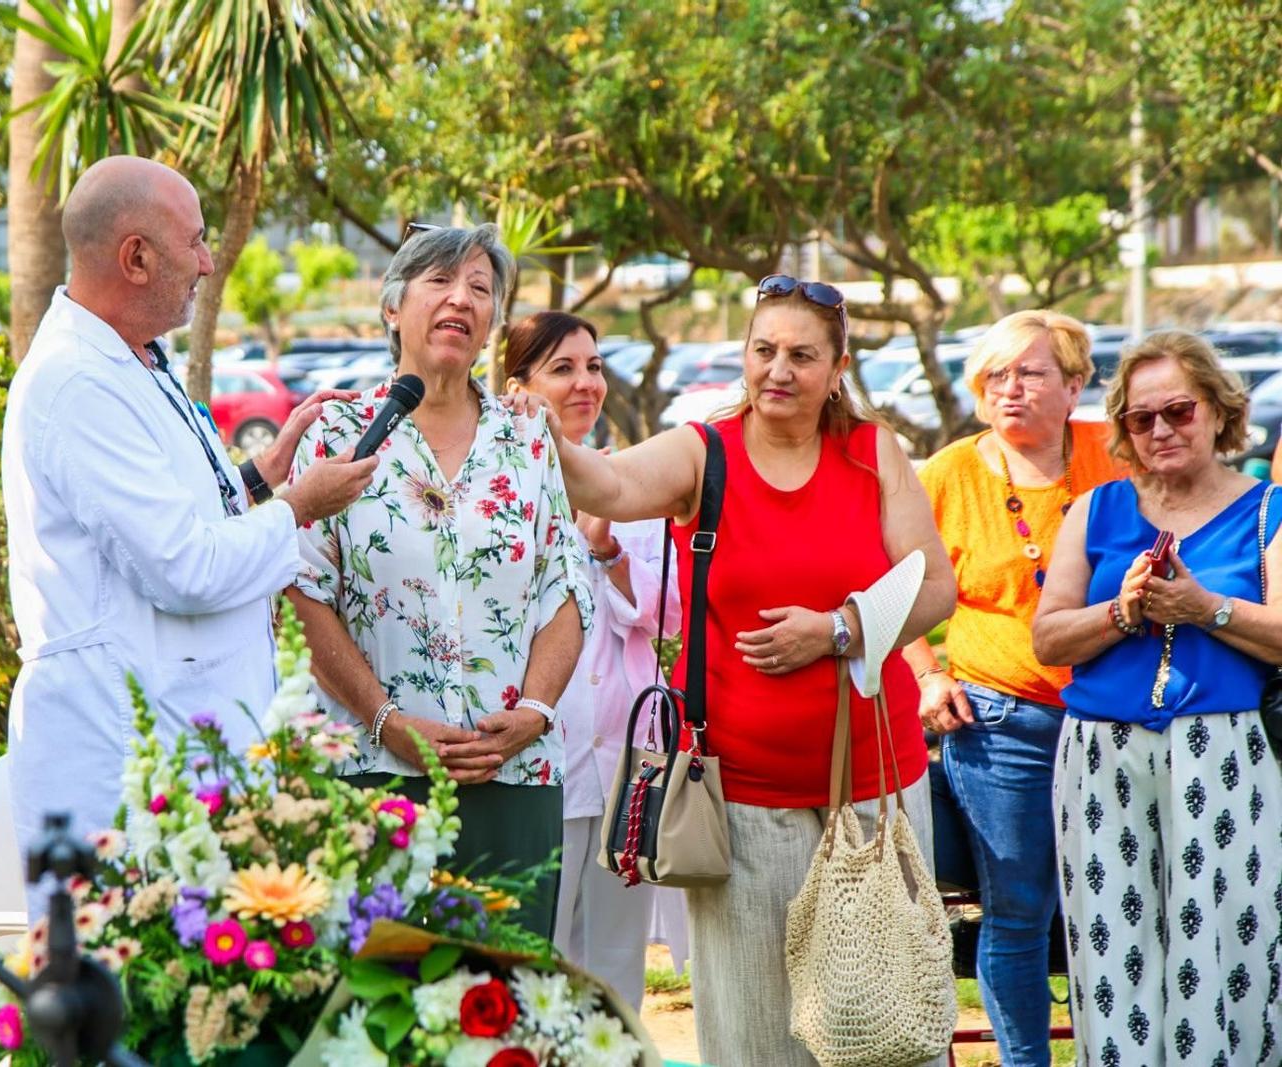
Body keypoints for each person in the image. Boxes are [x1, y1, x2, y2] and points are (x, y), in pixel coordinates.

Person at [501, 275, 956, 1065]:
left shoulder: (870, 450)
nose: (778, 370)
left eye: (802, 355)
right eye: (763, 350)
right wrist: (548, 436)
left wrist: (841, 629)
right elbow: (609, 484)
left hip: (875, 790)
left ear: (838, 366)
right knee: (752, 1033)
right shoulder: (701, 451)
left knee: (883, 1028)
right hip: (742, 801)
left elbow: (934, 583)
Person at [1, 156, 376, 914]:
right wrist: (300, 505)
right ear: (135, 257)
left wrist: (262, 478)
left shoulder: (131, 361)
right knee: (127, 1001)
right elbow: (183, 566)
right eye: (196, 243)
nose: (209, 263)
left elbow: (170, 517)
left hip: (181, 751)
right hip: (115, 761)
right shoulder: (77, 382)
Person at [284, 225, 590, 939]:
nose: (461, 299)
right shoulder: (338, 433)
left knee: (508, 1011)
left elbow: (567, 585)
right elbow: (301, 594)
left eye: (480, 288)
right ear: (392, 307)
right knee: (379, 1014)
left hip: (512, 774)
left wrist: (536, 711)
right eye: (439, 282)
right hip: (373, 775)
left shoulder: (527, 438)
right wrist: (389, 722)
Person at [1033, 329, 1282, 1066]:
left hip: (1226, 751)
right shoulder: (1096, 510)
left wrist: (1206, 607)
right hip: (1101, 752)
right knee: (1112, 947)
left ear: (1217, 410)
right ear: (1125, 429)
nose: (1162, 430)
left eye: (1178, 410)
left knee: (1223, 940)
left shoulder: (1267, 509)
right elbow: (1047, 639)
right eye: (1143, 419)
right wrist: (1123, 611)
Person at [902, 311, 1121, 1067]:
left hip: (1115, 718)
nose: (1011, 389)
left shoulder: (1116, 454)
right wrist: (929, 677)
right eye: (996, 375)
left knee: (1118, 902)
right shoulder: (948, 473)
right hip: (999, 722)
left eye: (1030, 372)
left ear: (1073, 383)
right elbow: (886, 593)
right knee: (1019, 909)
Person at [502, 311, 683, 1007]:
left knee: (615, 964)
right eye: (563, 369)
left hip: (624, 762)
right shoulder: (499, 482)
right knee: (537, 954)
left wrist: (607, 552)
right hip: (537, 754)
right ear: (519, 386)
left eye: (595, 366)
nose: (586, 384)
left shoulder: (631, 481)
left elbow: (670, 612)